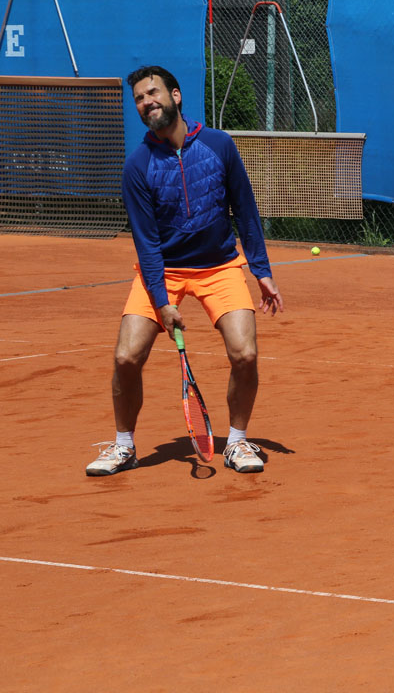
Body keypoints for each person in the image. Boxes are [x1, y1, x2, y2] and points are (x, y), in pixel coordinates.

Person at [86, 66, 283, 476]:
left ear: (175, 95)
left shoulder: (219, 145)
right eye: (139, 99)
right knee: (126, 357)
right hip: (164, 270)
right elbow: (146, 243)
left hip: (219, 267)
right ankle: (124, 446)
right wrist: (162, 302)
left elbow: (245, 210)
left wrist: (261, 271)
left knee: (245, 353)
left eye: (153, 93)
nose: (147, 102)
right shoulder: (137, 165)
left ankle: (237, 441)